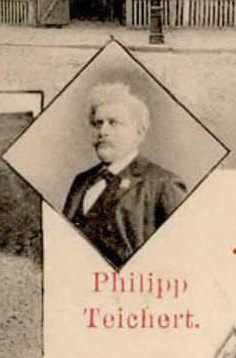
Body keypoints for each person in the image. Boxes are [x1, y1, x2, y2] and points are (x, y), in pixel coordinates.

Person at [64, 81, 187, 266]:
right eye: (98, 124)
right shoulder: (82, 181)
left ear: (139, 131)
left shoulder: (163, 184)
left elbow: (179, 258)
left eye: (113, 123)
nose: (102, 131)